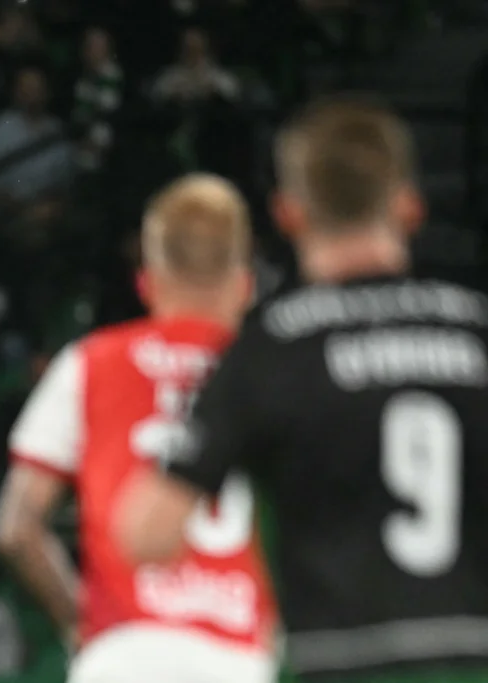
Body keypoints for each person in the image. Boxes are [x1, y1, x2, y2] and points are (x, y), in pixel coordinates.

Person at [113, 99, 488, 683]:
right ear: (410, 207)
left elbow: (148, 534)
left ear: (287, 213)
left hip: (339, 660)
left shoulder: (271, 348)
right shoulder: (476, 329)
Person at [0, 174, 278, 683]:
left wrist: (82, 624)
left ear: (145, 282)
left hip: (122, 654)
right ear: (245, 285)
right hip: (235, 656)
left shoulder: (89, 364)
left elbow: (17, 528)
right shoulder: (271, 373)